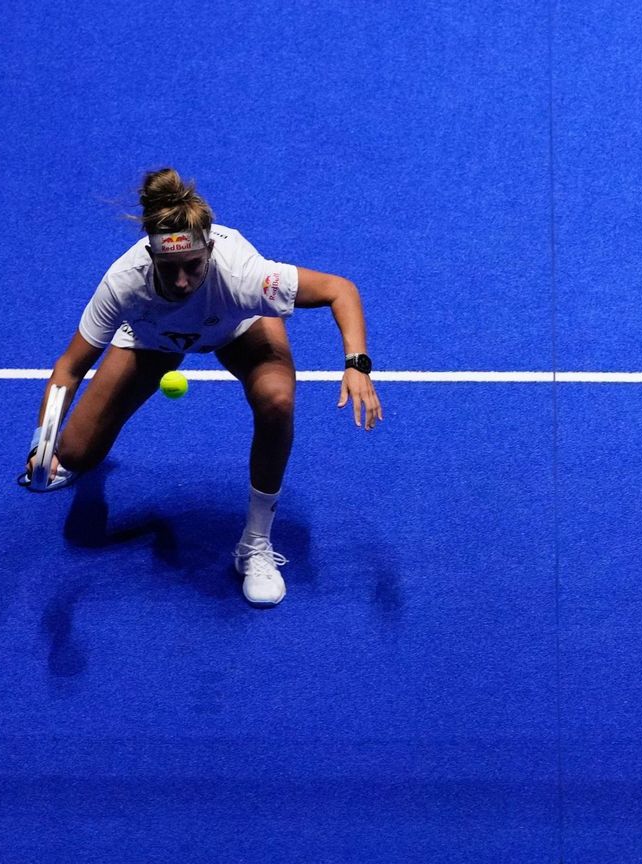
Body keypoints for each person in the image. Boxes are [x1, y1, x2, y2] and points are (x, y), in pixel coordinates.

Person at [26, 168, 382, 606]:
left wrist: (357, 364)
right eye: (168, 268)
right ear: (151, 256)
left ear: (210, 251)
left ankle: (255, 545)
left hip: (238, 329)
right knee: (75, 455)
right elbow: (68, 369)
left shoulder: (243, 274)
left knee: (277, 400)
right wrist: (42, 446)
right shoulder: (124, 282)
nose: (181, 282)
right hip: (153, 339)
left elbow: (339, 290)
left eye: (193, 267)